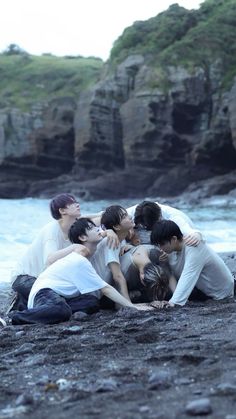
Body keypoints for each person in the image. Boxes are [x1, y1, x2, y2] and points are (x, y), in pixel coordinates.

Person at [10, 218, 151, 325]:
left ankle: (47, 311)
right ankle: (16, 317)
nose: (97, 229)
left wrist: (120, 241)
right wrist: (132, 307)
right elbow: (106, 289)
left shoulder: (89, 256)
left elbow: (112, 233)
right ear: (83, 238)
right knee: (61, 310)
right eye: (91, 228)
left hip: (60, 296)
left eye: (96, 227)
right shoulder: (79, 260)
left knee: (91, 302)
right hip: (44, 293)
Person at [9, 193, 119, 312]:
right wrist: (73, 248)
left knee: (87, 301)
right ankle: (21, 304)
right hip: (26, 278)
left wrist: (109, 231)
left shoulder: (77, 227)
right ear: (62, 211)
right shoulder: (52, 231)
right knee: (57, 299)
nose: (77, 204)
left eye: (76, 201)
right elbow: (50, 259)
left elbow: (101, 216)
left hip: (49, 280)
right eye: (72, 203)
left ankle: (36, 306)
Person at [91, 205, 173, 303]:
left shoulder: (120, 239)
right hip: (100, 294)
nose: (130, 216)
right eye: (124, 216)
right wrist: (129, 305)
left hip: (106, 289)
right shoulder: (111, 241)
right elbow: (117, 276)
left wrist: (131, 247)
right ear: (116, 226)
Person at [150, 220, 234, 307]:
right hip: (201, 291)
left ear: (174, 239)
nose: (160, 248)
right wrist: (164, 263)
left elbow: (188, 275)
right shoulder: (171, 250)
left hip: (221, 294)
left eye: (162, 244)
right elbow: (172, 274)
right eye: (158, 244)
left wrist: (173, 303)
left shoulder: (193, 246)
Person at [126, 200, 202, 247]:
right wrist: (114, 233)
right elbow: (114, 221)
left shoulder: (173, 215)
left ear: (160, 217)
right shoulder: (128, 214)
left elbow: (186, 229)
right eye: (143, 226)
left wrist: (196, 234)